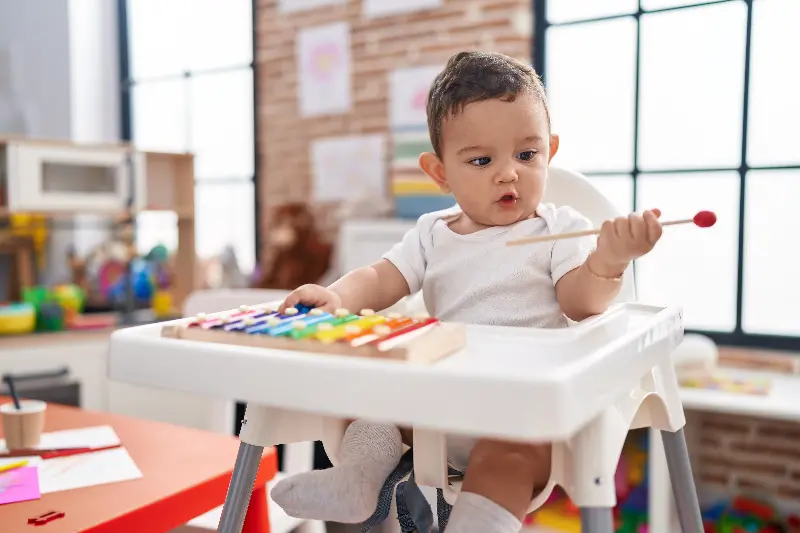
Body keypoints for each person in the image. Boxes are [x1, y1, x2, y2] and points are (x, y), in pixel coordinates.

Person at [270, 50, 663, 533]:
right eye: (481, 160)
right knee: (369, 406)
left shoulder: (559, 228)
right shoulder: (432, 233)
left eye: (527, 155)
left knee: (507, 460)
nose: (508, 173)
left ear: (550, 151)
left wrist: (609, 260)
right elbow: (380, 278)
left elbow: (580, 303)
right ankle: (357, 481)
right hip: (437, 407)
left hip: (519, 415)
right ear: (440, 173)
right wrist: (337, 297)